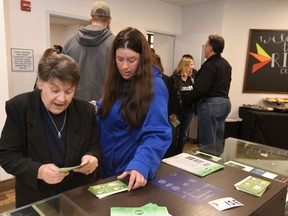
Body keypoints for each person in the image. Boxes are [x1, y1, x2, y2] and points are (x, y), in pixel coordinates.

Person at [0, 54, 102, 207]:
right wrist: (39, 171)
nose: (62, 99)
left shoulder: (85, 111)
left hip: (77, 197)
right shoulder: (20, 107)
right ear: (40, 82)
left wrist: (92, 157)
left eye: (69, 91)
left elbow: (95, 146)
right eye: (54, 90)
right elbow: (6, 154)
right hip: (36, 198)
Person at [96, 27, 171, 191]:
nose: (124, 66)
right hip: (106, 169)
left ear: (142, 59)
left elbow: (157, 133)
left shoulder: (155, 86)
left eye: (131, 60)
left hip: (131, 172)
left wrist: (142, 163)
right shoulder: (116, 80)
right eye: (119, 59)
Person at [63, 1, 115, 101]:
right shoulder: (115, 44)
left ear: (90, 17)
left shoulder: (69, 42)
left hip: (75, 105)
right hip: (104, 106)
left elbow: (62, 76)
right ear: (109, 20)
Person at [190, 34, 232, 146]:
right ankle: (216, 161)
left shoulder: (209, 65)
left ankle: (208, 163)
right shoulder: (226, 64)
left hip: (211, 104)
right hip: (225, 103)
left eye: (206, 45)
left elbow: (201, 89)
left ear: (211, 48)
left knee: (207, 143)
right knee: (217, 140)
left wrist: (188, 100)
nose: (205, 47)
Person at [168, 55, 196, 155]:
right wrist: (170, 112)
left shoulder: (192, 78)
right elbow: (169, 97)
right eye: (191, 64)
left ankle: (178, 154)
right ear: (185, 65)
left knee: (183, 135)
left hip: (188, 112)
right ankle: (169, 155)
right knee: (173, 134)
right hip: (175, 113)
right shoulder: (174, 78)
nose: (193, 66)